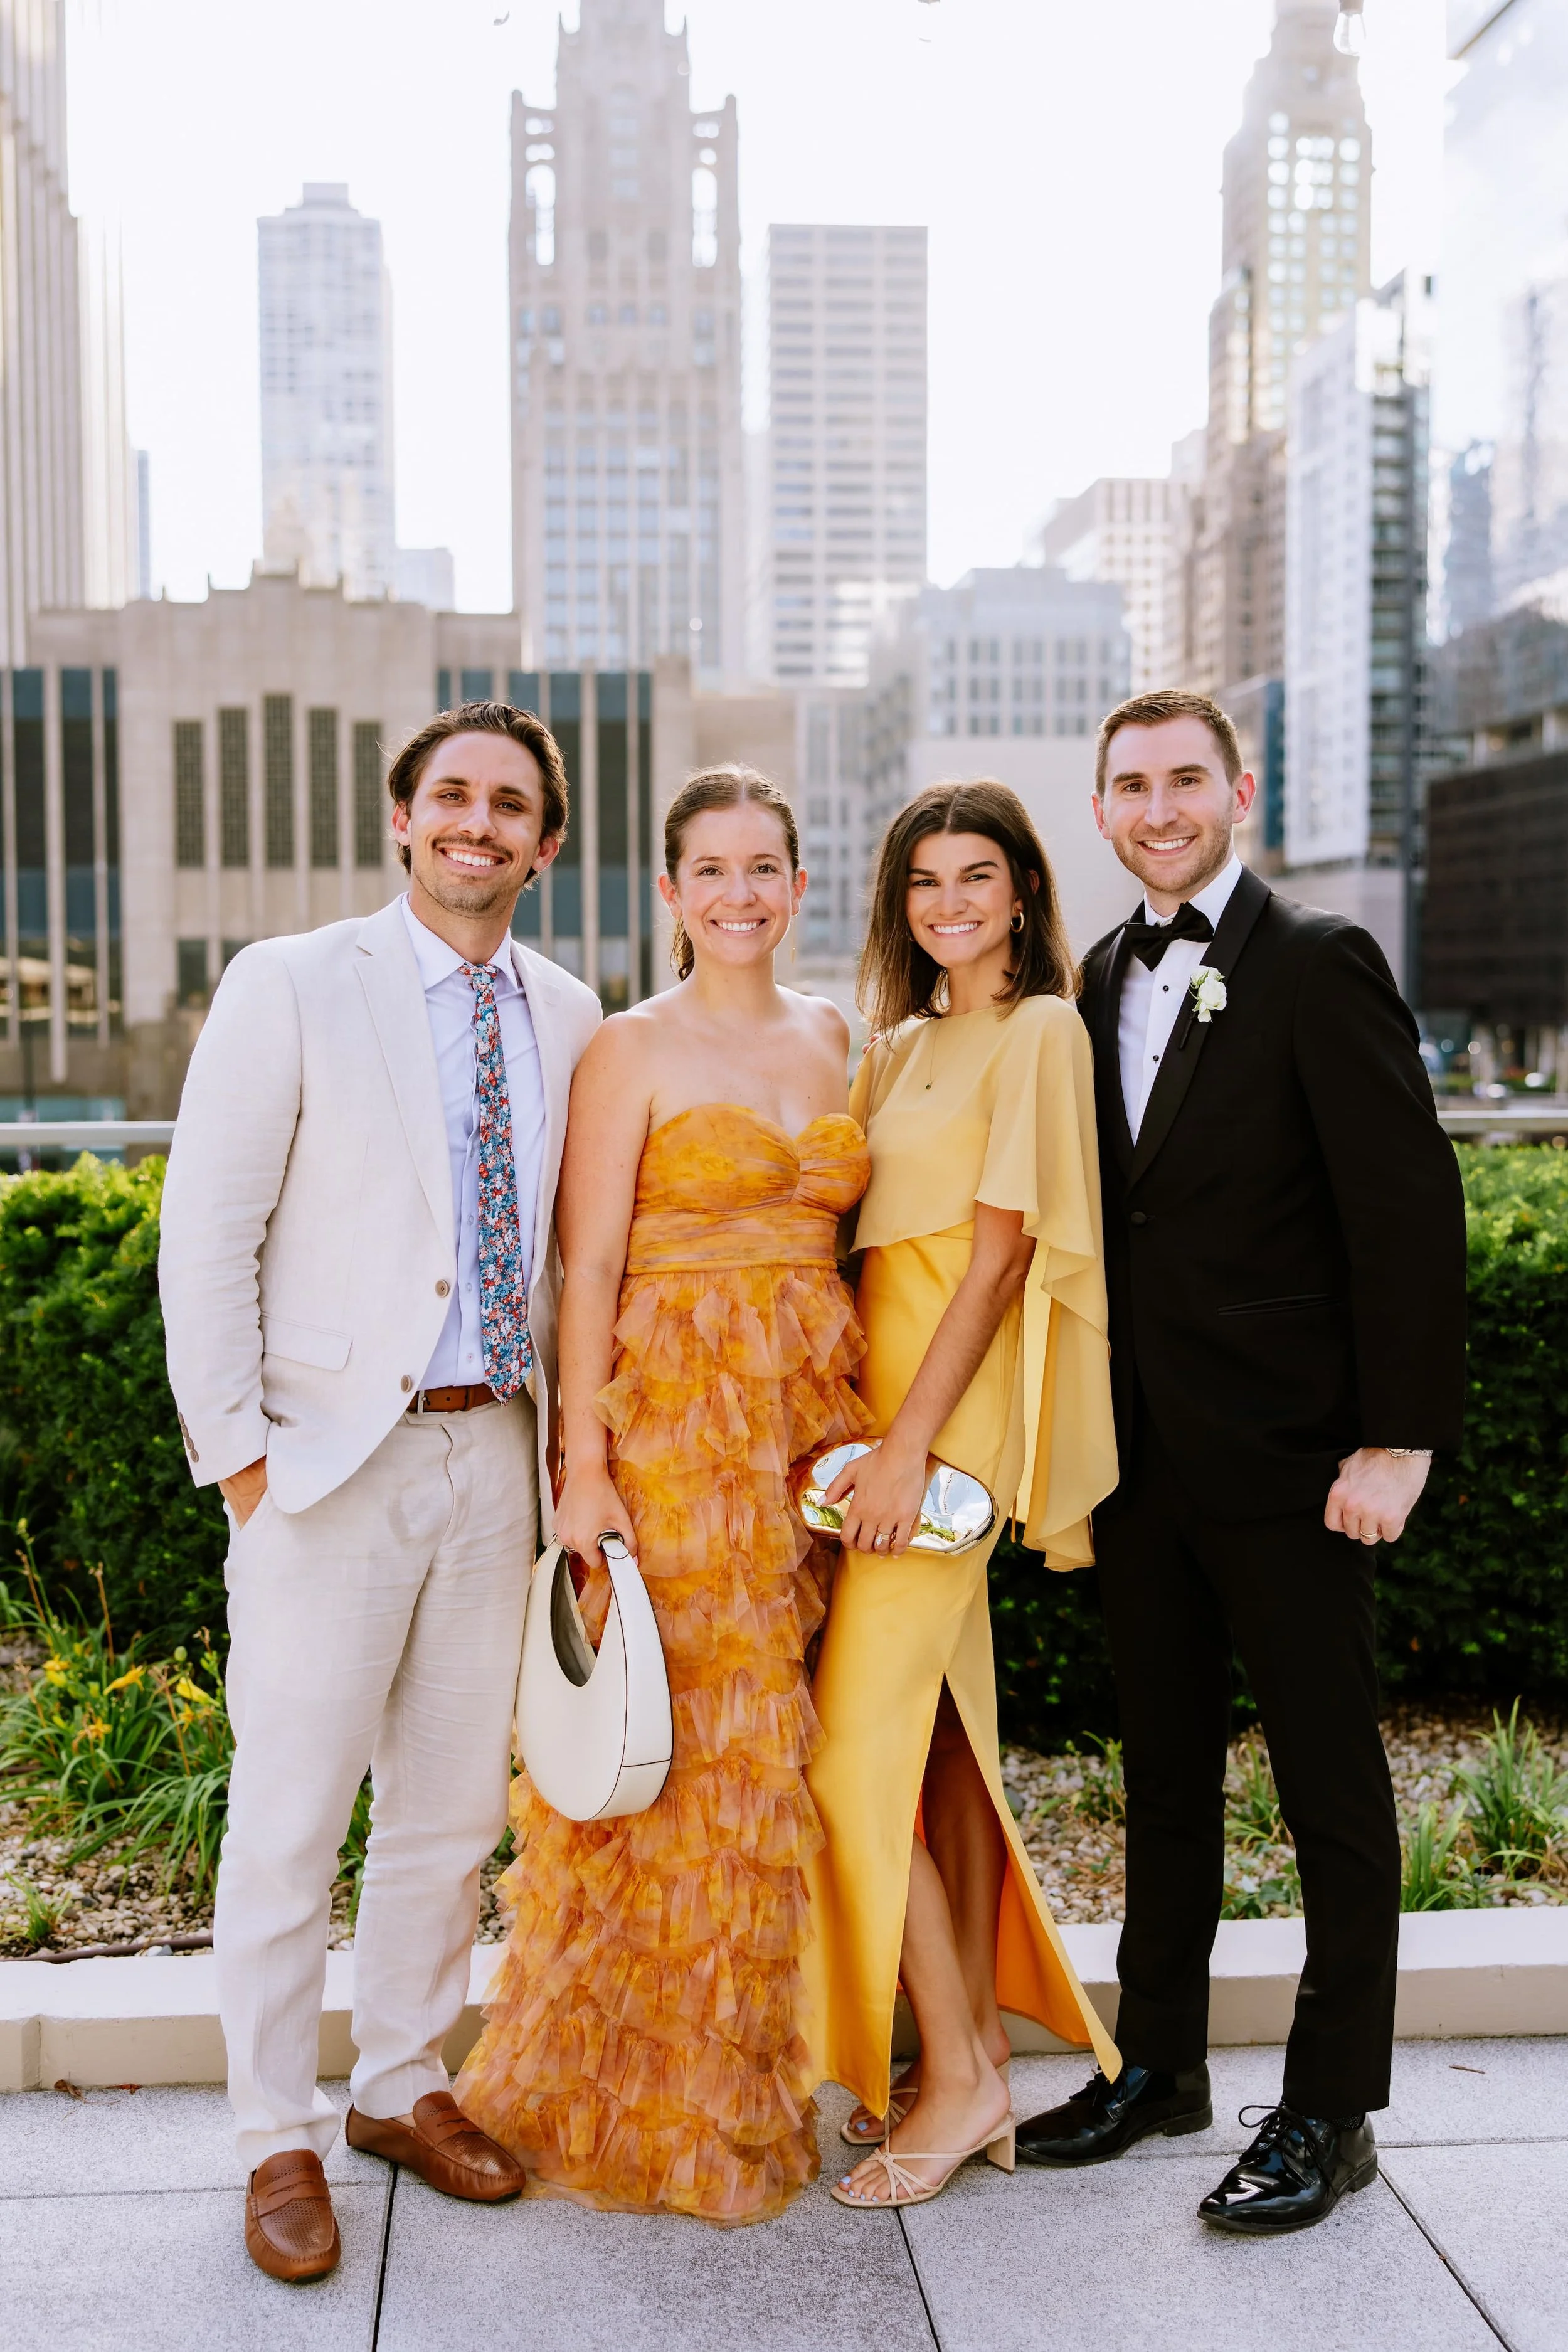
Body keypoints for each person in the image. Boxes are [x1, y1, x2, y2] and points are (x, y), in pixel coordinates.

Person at [1014, 688, 1466, 2234]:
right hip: (1138, 1463)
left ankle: (1331, 2112)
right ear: (1099, 808)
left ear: (1238, 791)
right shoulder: (1087, 981)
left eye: (1183, 780)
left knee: (1330, 1790)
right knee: (1160, 1781)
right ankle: (1158, 2068)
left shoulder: (1319, 961)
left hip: (1293, 1461)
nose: (1158, 809)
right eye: (1130, 785)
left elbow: (1406, 1214)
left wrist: (1393, 1442)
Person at [159, 701, 601, 2282]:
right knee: (289, 1817)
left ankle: (402, 2083)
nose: (479, 823)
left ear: (545, 846)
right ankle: (272, 2133)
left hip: (496, 1455)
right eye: (453, 796)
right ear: (404, 817)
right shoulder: (288, 983)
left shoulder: (570, 1010)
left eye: (511, 806)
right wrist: (245, 1466)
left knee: (449, 1813)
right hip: (325, 1466)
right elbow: (205, 1232)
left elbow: (567, 1251)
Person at [455, 763, 869, 2224]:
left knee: (778, 1757)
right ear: (669, 890)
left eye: (763, 869)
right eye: (711, 871)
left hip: (812, 1435)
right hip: (679, 1439)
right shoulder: (627, 1048)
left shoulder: (834, 1035)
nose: (737, 895)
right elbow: (584, 1272)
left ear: (797, 886)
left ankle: (751, 2057)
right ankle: (676, 2097)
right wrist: (582, 1468)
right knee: (687, 1755)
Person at [807, 780, 1122, 2214]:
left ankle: (956, 2076)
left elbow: (997, 1262)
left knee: (840, 1756)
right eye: (923, 881)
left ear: (1020, 893)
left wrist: (909, 1448)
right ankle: (981, 2043)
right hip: (866, 1433)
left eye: (975, 876)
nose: (948, 903)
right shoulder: (891, 1047)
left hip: (941, 1438)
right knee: (938, 1746)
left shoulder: (1042, 1029)